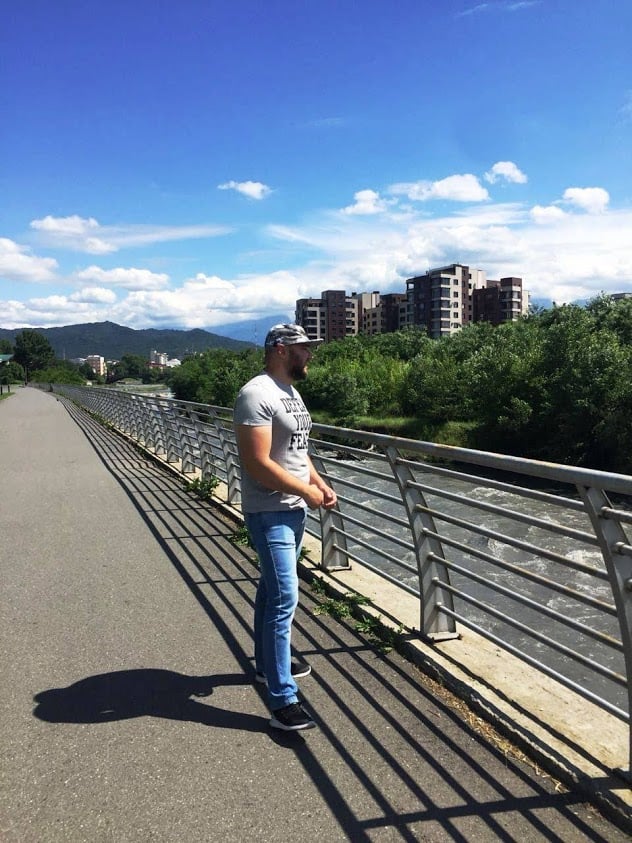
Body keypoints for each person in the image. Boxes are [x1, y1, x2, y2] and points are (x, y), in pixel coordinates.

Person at [234, 324, 337, 731]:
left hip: (294, 508)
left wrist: (318, 483)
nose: (310, 354)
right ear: (280, 349)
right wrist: (304, 492)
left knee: (272, 591)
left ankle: (266, 665)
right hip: (270, 511)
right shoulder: (255, 394)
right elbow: (257, 463)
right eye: (304, 348)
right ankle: (282, 698)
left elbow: (296, 450)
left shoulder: (289, 393)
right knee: (284, 599)